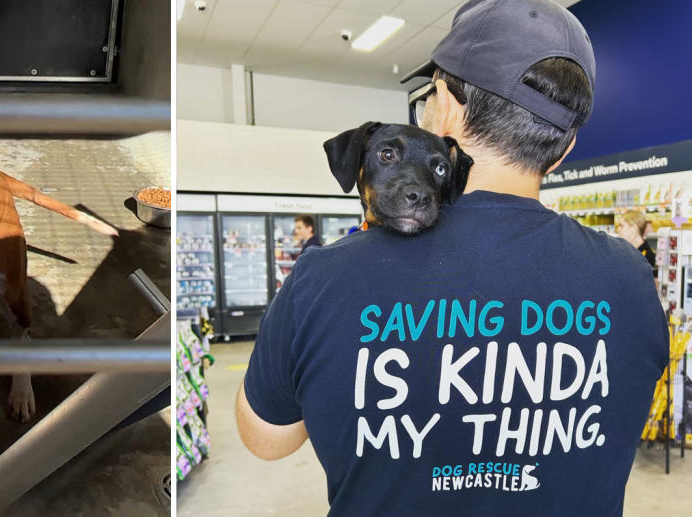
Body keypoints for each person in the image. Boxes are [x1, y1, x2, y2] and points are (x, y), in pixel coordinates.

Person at [235, 1, 668, 516]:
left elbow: (268, 439)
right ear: (564, 149)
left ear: (446, 106)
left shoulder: (323, 278)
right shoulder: (632, 282)